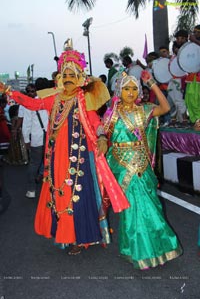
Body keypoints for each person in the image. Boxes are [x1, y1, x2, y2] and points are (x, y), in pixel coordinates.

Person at [0, 45, 129, 255]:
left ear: (79, 76)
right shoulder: (55, 98)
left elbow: (95, 120)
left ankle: (80, 238)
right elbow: (32, 104)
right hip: (57, 158)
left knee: (77, 196)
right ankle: (65, 235)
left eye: (72, 74)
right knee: (59, 194)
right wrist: (8, 91)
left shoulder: (83, 98)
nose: (68, 78)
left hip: (79, 158)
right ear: (60, 77)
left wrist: (102, 135)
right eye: (65, 74)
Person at [104, 70, 182, 270]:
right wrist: (102, 139)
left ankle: (159, 247)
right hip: (121, 165)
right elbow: (102, 133)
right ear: (118, 91)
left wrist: (152, 83)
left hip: (142, 165)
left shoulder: (145, 110)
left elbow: (165, 107)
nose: (130, 92)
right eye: (126, 88)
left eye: (134, 88)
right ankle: (137, 251)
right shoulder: (112, 113)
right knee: (131, 210)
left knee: (150, 206)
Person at [22, 84, 48, 198]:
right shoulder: (46, 101)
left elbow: (26, 125)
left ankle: (31, 190)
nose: (31, 93)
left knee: (34, 165)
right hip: (48, 137)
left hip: (37, 139)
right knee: (49, 163)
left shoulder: (28, 105)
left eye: (32, 91)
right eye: (29, 91)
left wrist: (26, 140)